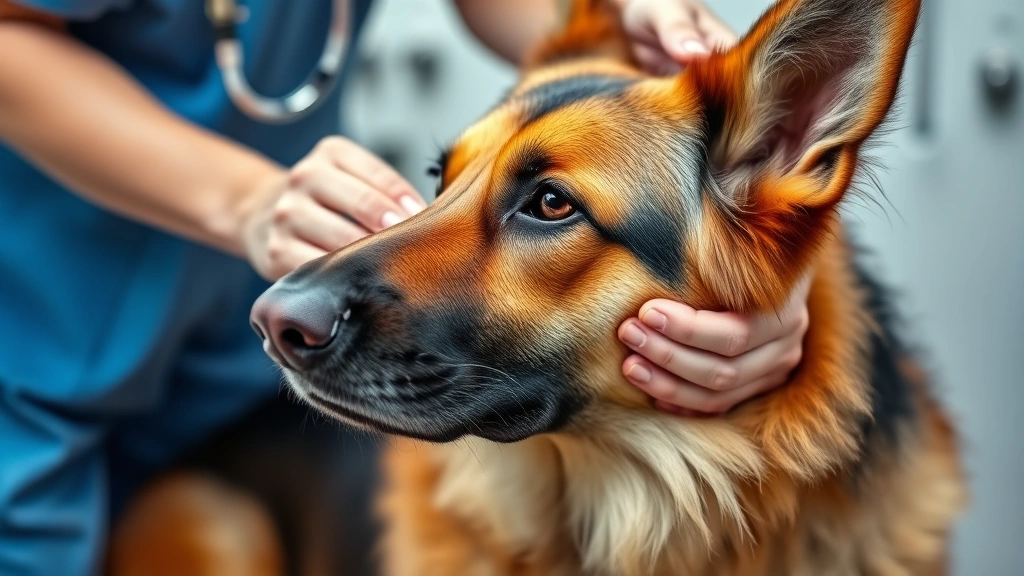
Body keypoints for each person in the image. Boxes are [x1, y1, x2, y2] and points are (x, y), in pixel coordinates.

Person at [0, 0, 808, 574]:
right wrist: (247, 201)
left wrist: (764, 262)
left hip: (241, 363)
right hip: (34, 338)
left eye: (550, 205)